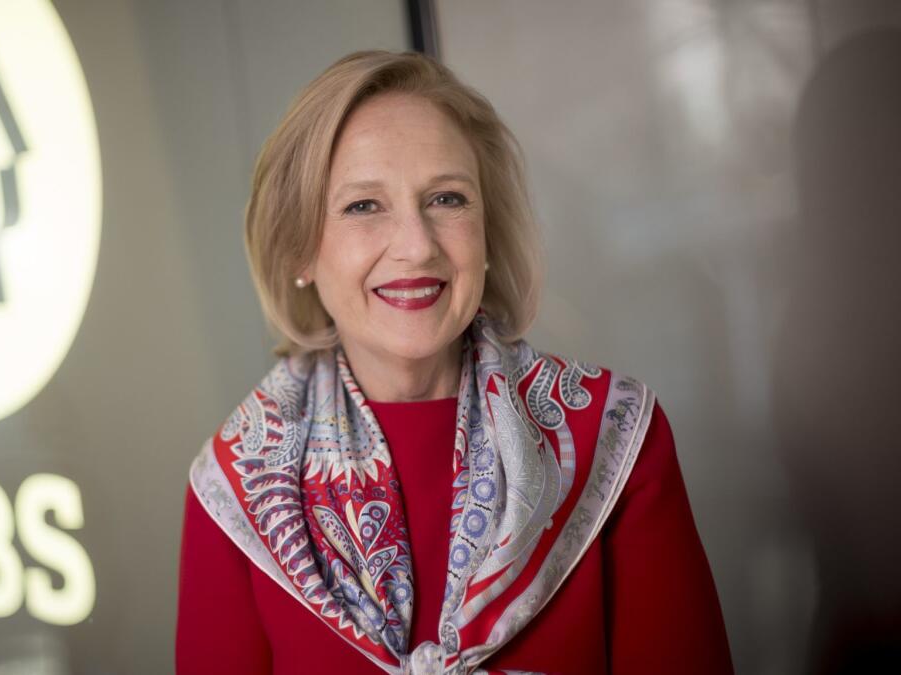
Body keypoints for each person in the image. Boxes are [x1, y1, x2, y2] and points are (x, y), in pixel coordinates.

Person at [176, 50, 732, 675]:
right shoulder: (234, 487)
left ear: (487, 231)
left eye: (447, 199)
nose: (416, 246)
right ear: (299, 248)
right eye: (364, 206)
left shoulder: (616, 438)